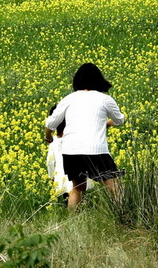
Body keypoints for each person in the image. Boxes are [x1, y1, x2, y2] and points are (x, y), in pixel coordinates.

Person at [44, 63, 125, 210]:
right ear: (99, 80)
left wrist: (48, 137)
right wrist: (105, 124)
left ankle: (71, 222)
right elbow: (120, 120)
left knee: (77, 188)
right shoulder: (105, 99)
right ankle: (124, 217)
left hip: (72, 151)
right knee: (114, 187)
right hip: (96, 150)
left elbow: (50, 123)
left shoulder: (68, 99)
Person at [45, 104, 93, 205]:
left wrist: (51, 176)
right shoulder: (78, 139)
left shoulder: (53, 143)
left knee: (68, 204)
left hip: (61, 182)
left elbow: (50, 162)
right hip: (79, 180)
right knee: (81, 199)